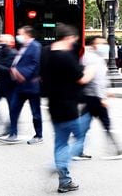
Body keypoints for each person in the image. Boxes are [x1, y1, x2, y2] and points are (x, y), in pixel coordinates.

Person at [40, 23, 93, 193]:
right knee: (81, 139)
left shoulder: (46, 52)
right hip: (68, 106)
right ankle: (60, 165)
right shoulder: (65, 56)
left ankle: (64, 181)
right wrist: (92, 70)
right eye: (73, 40)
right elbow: (81, 79)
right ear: (68, 37)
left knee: (60, 143)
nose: (73, 43)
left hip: (53, 106)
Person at [73, 36, 121, 160]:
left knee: (85, 125)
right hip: (95, 98)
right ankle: (116, 149)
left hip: (92, 97)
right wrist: (102, 97)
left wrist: (107, 91)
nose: (105, 45)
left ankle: (77, 151)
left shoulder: (91, 57)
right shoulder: (94, 59)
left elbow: (100, 79)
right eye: (101, 43)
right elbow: (96, 80)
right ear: (94, 45)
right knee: (105, 123)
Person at [0, 26, 43, 145]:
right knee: (13, 108)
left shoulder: (35, 46)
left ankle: (39, 135)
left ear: (27, 34)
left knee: (35, 112)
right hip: (20, 85)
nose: (18, 36)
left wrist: (22, 74)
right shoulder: (23, 47)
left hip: (31, 85)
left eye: (20, 33)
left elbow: (35, 63)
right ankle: (13, 134)